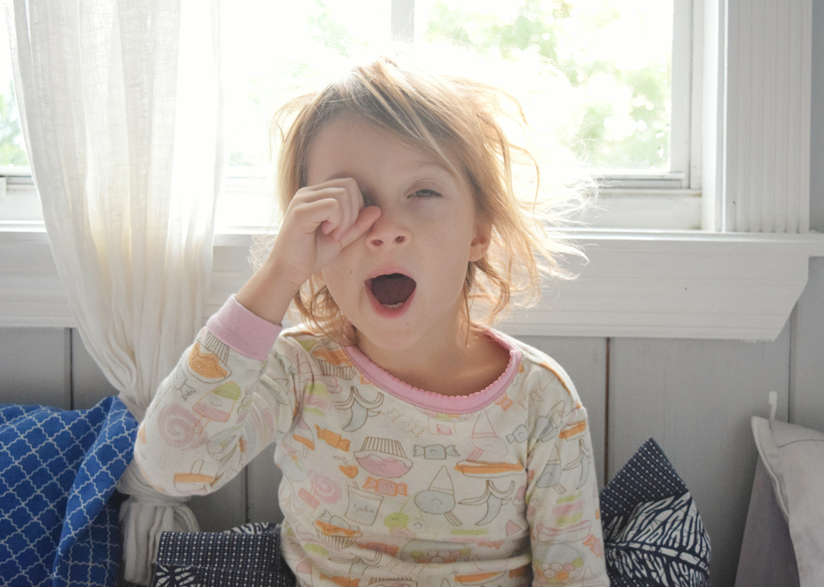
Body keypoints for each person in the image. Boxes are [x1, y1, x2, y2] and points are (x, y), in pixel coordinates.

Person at [135, 52, 610, 587]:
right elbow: (170, 466)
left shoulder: (541, 400)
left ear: (479, 231)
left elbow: (573, 575)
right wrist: (280, 272)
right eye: (353, 201)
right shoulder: (300, 370)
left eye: (423, 192)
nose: (386, 229)